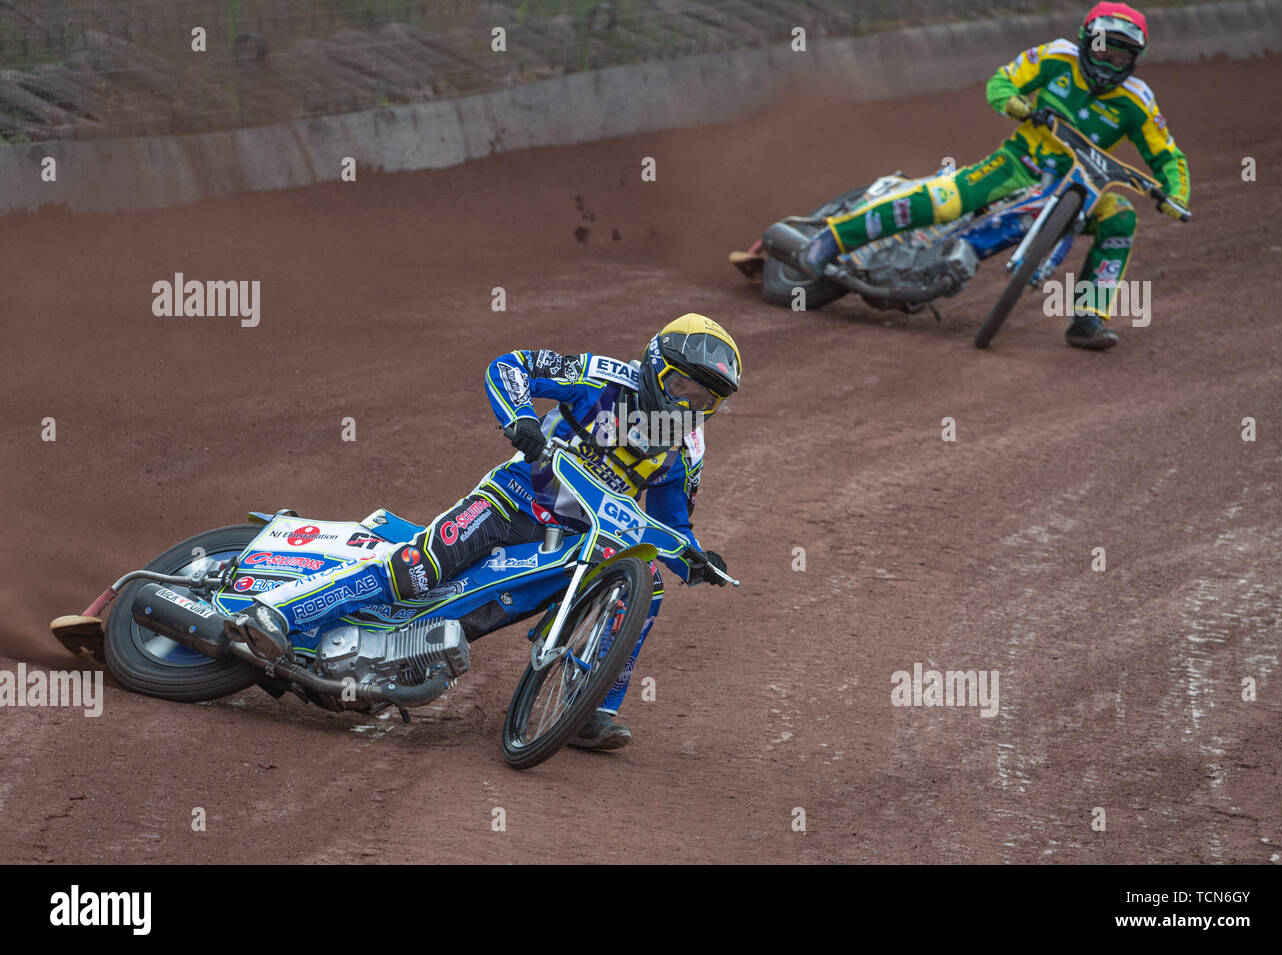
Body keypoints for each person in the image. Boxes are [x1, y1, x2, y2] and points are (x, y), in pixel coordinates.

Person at [225, 313, 742, 750]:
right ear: (655, 365)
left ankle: (589, 707)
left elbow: (670, 523)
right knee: (415, 572)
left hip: (573, 544)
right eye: (681, 386)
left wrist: (698, 559)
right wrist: (521, 420)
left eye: (705, 399)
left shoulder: (687, 449)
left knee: (642, 584)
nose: (688, 405)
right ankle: (274, 615)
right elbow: (510, 365)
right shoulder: (603, 380)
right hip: (512, 499)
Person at [797, 2, 1189, 351]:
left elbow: (1168, 155)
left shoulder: (1139, 101)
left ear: (1135, 59)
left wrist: (1175, 194)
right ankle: (830, 239)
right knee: (947, 200)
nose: (1107, 62)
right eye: (1103, 48)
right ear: (1086, 41)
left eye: (1120, 57)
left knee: (1121, 218)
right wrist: (1019, 106)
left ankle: (1088, 318)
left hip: (1085, 184)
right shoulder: (1055, 56)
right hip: (1020, 162)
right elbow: (1001, 82)